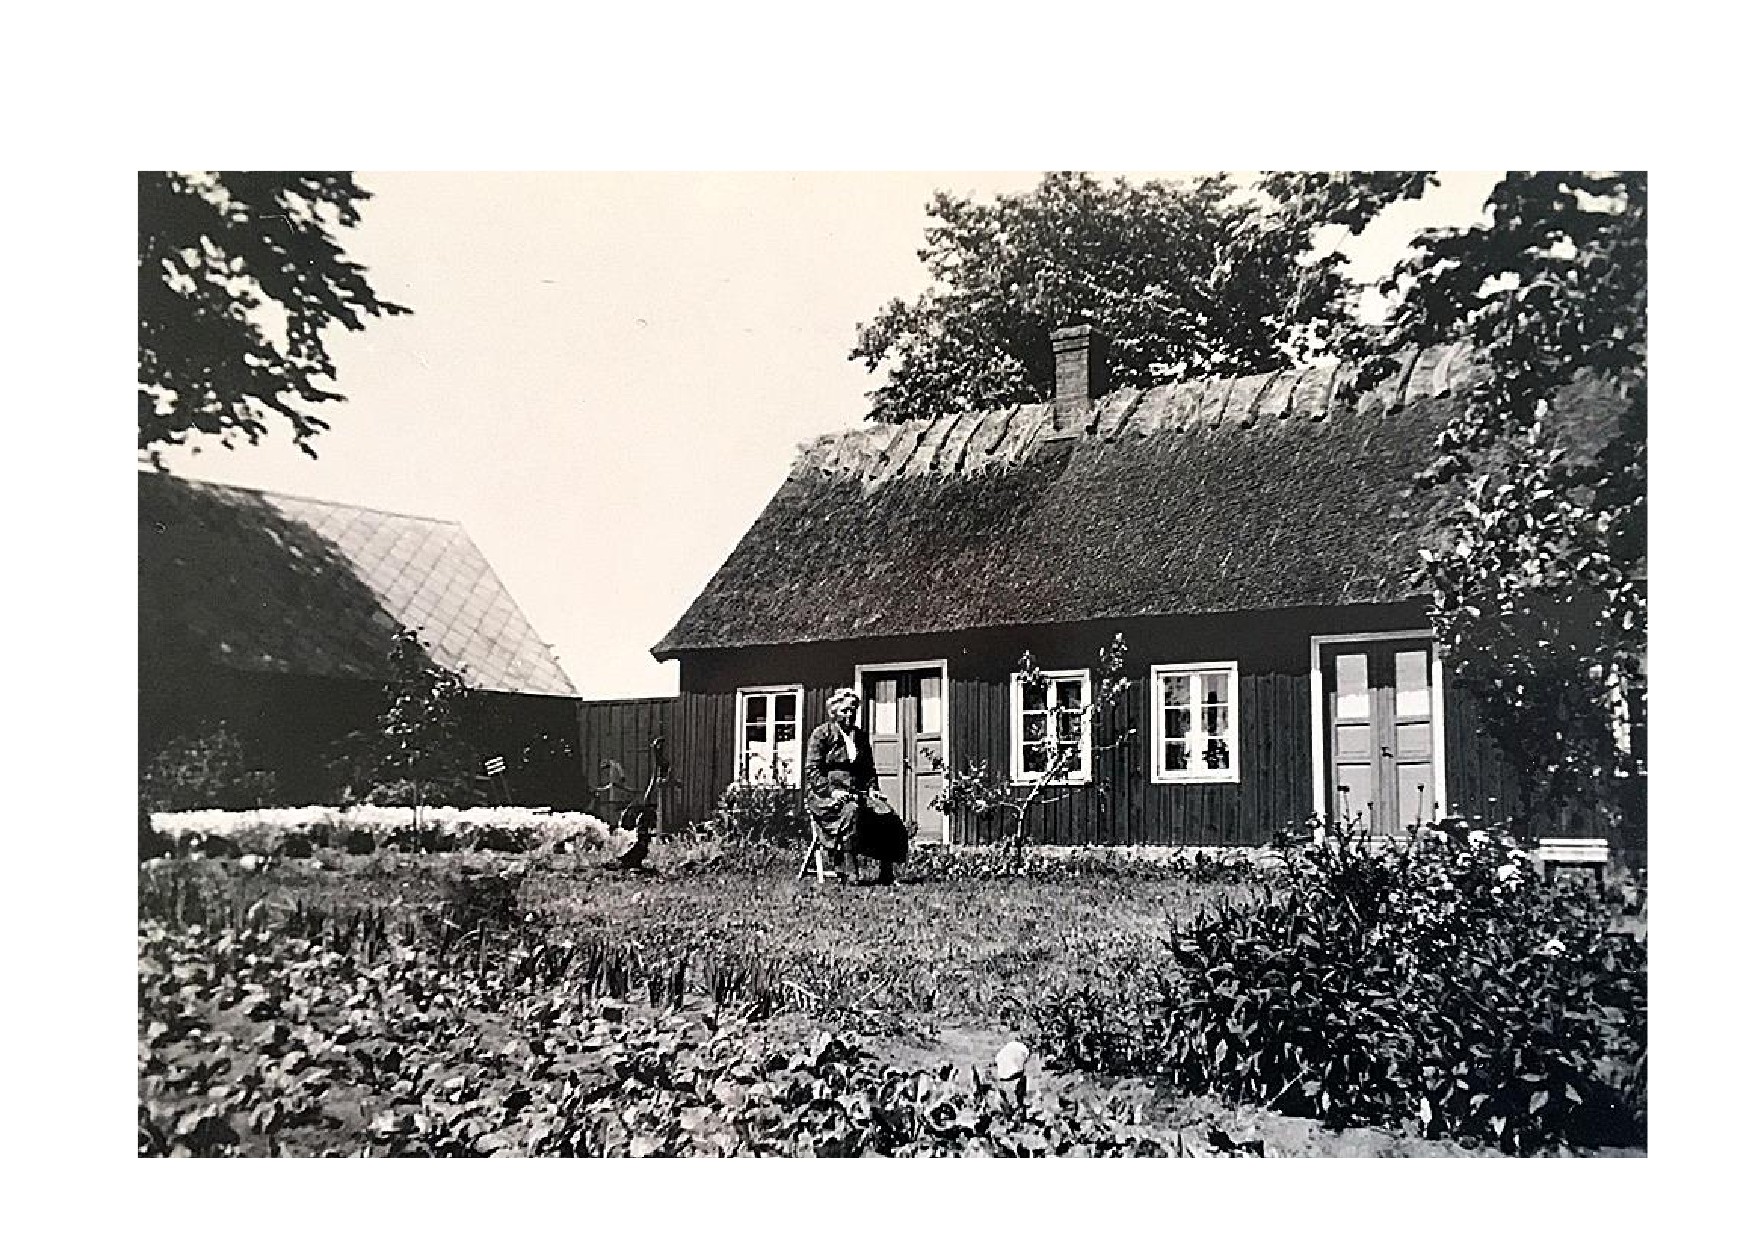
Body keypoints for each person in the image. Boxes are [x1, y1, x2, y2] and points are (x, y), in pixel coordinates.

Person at [804, 688, 907, 884]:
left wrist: (873, 789)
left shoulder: (860, 737)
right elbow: (812, 771)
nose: (850, 715)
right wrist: (832, 791)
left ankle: (886, 873)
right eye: (845, 710)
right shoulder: (822, 734)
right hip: (825, 795)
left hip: (855, 792)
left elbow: (868, 770)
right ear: (834, 712)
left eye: (853, 710)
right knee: (850, 812)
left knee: (887, 815)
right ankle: (849, 872)